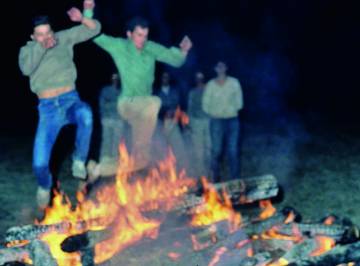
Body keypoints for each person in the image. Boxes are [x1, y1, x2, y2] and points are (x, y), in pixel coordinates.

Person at [84, 1, 192, 174]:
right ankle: (136, 150)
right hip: (127, 104)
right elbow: (94, 34)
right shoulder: (120, 46)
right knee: (155, 101)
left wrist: (184, 51)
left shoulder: (151, 48)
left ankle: (100, 169)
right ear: (129, 34)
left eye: (145, 36)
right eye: (139, 35)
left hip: (143, 112)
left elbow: (175, 60)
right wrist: (88, 11)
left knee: (142, 160)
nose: (143, 40)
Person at [18, 1, 101, 209]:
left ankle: (79, 160)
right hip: (48, 110)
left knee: (86, 113)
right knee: (39, 164)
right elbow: (27, 69)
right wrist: (41, 47)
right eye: (40, 34)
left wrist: (83, 17)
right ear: (33, 37)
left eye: (48, 33)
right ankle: (46, 186)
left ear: (53, 31)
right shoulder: (27, 50)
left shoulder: (63, 38)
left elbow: (95, 29)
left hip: (69, 100)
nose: (47, 38)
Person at [202, 61, 243, 182]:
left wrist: (232, 110)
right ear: (215, 69)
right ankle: (215, 179)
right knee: (216, 151)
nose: (220, 68)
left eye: (222, 66)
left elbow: (239, 101)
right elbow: (205, 103)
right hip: (216, 121)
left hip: (232, 120)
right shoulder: (210, 85)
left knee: (233, 150)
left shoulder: (234, 82)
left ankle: (235, 179)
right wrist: (213, 113)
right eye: (218, 66)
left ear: (226, 68)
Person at [187, 71, 211, 178]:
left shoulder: (209, 90)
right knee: (198, 149)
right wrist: (189, 124)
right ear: (195, 80)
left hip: (209, 121)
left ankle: (210, 172)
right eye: (197, 78)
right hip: (196, 122)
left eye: (201, 78)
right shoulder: (192, 92)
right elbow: (190, 108)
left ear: (204, 79)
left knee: (209, 148)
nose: (199, 80)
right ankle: (201, 175)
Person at [98, 73, 125, 165]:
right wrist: (115, 104)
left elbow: (124, 106)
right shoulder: (105, 90)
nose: (115, 79)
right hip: (107, 119)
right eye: (113, 77)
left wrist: (110, 103)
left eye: (117, 77)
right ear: (110, 79)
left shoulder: (122, 91)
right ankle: (104, 161)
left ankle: (114, 162)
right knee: (106, 140)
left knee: (116, 142)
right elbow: (102, 105)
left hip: (119, 120)